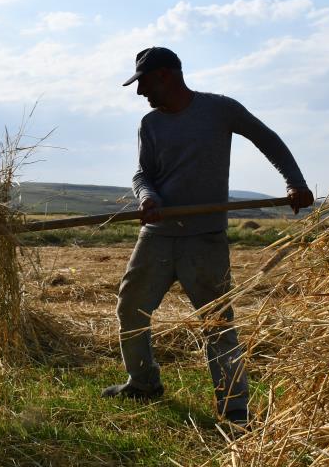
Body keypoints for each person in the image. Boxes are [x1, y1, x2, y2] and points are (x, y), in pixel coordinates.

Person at [103, 46, 314, 428]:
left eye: (144, 82)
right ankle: (143, 382)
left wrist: (295, 182)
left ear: (166, 75)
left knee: (216, 322)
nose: (140, 93)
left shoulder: (220, 110)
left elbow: (268, 140)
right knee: (130, 308)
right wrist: (147, 196)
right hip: (157, 236)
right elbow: (142, 174)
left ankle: (234, 408)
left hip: (205, 239)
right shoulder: (150, 124)